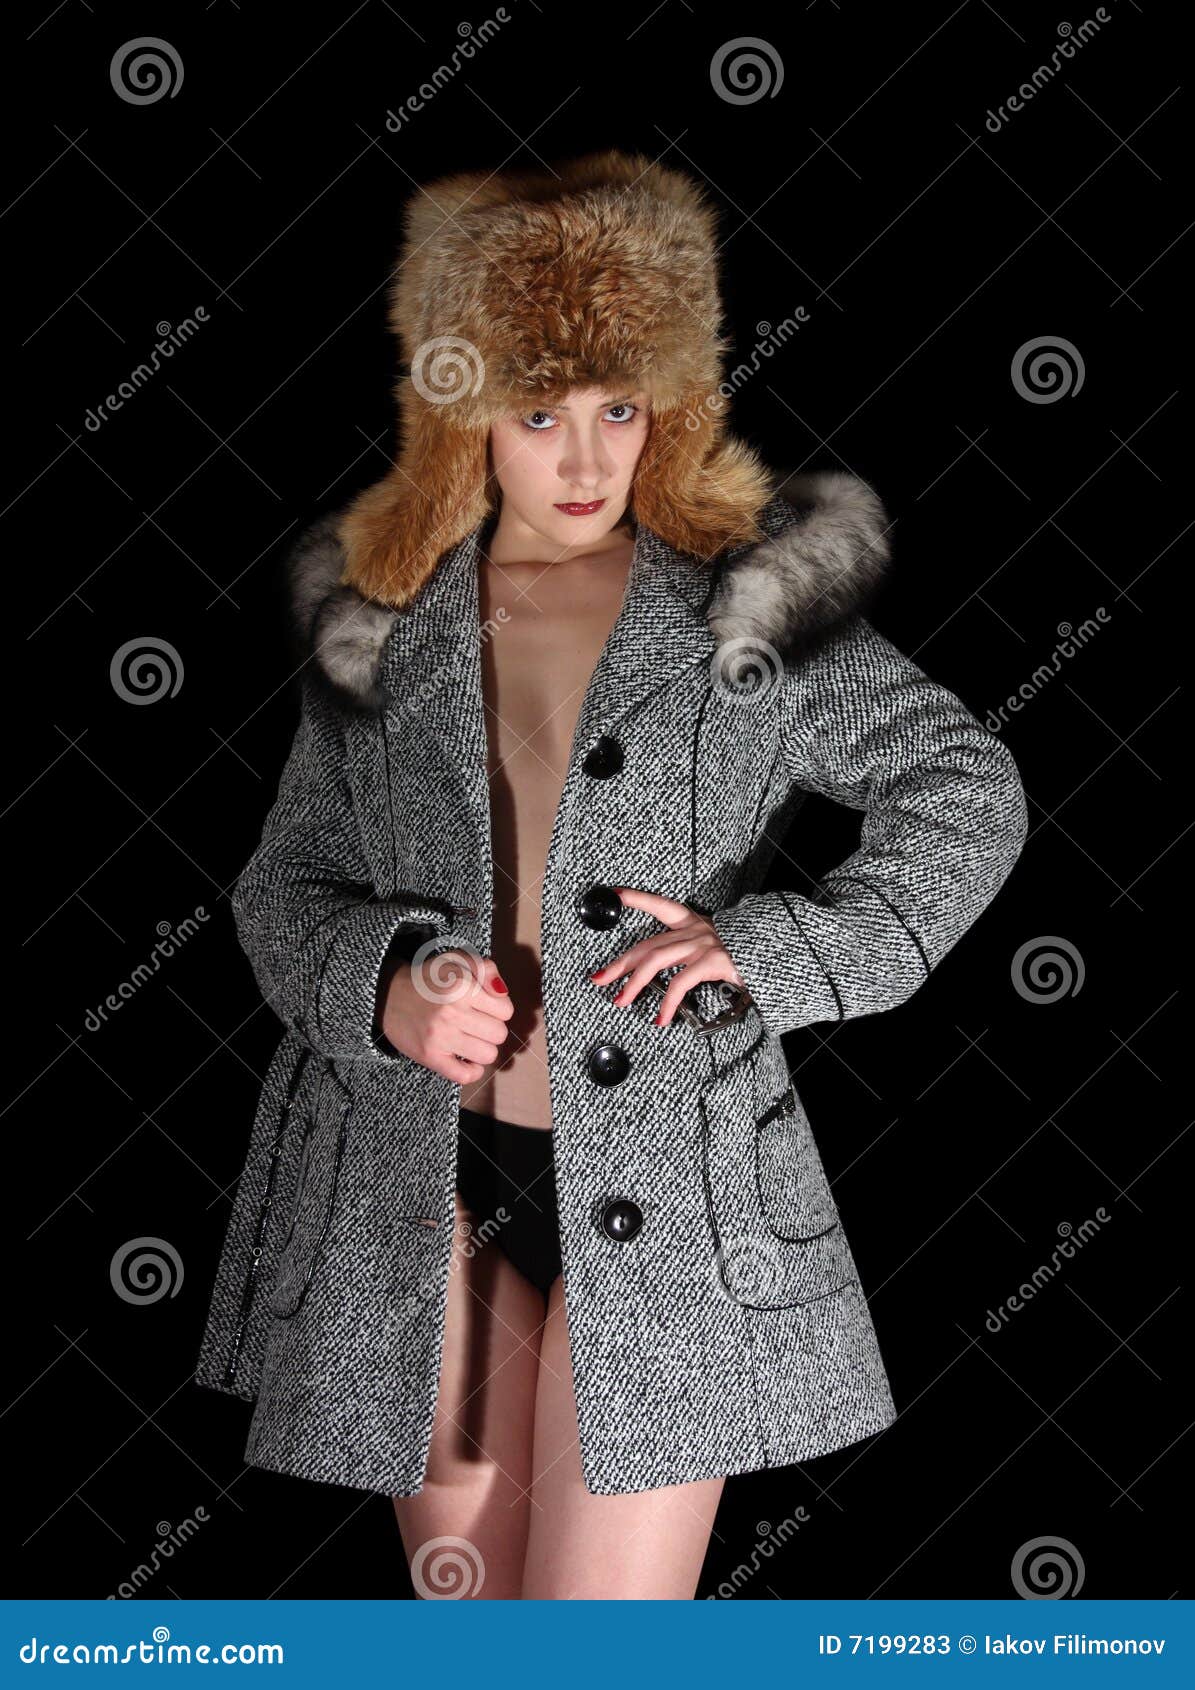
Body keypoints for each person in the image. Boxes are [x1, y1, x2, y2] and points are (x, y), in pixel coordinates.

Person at [195, 148, 1028, 1601]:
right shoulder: (381, 633)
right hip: (420, 1194)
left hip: (679, 1192)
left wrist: (777, 952)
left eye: (620, 409)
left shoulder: (747, 616)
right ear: (467, 419)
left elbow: (967, 787)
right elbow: (281, 887)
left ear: (673, 408)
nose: (585, 458)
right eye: (538, 412)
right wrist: (387, 986)